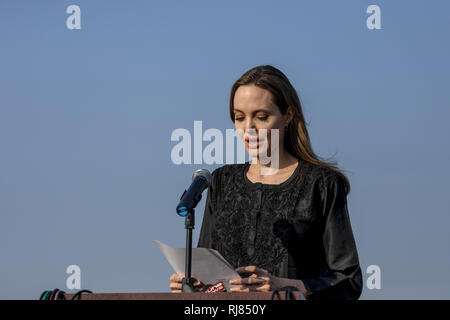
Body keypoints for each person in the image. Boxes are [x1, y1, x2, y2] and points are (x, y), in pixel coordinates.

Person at [169, 65, 363, 300]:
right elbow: (209, 277)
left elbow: (349, 281)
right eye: (239, 117)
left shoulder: (321, 184)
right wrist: (193, 285)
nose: (248, 128)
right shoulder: (221, 181)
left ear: (288, 116)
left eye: (261, 117)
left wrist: (285, 286)